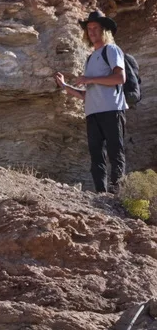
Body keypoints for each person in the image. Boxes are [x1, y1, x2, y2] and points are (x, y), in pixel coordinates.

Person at [54, 10, 129, 193]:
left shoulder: (111, 50)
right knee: (96, 156)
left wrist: (89, 79)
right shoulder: (90, 58)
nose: (92, 31)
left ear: (104, 30)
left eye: (95, 28)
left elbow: (120, 78)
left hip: (112, 109)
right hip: (93, 112)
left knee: (115, 153)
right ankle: (101, 194)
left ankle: (116, 193)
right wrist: (65, 86)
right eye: (89, 28)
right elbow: (88, 95)